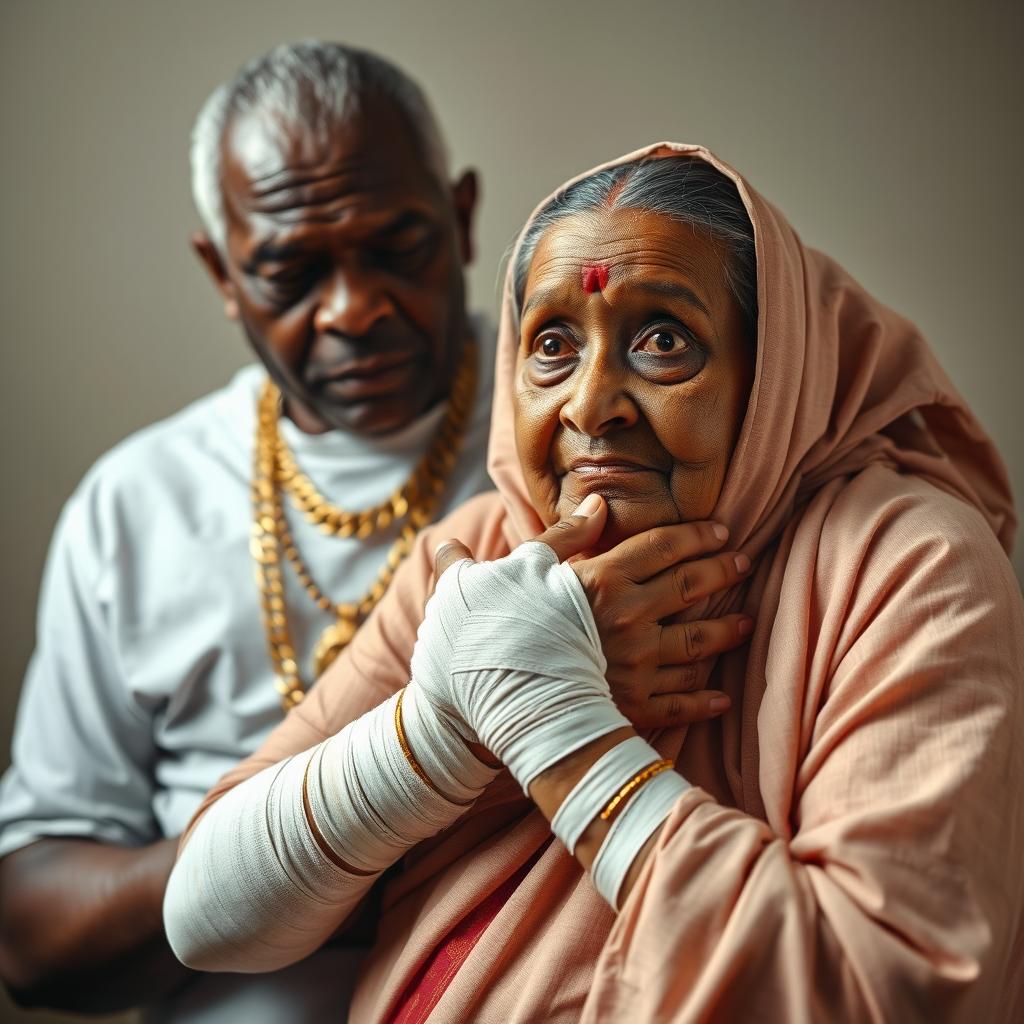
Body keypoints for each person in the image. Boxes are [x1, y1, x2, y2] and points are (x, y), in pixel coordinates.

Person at [165, 143, 1024, 1022]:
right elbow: (205, 917)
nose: (588, 404)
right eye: (551, 345)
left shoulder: (910, 565)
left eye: (663, 342)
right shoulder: (482, 557)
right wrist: (444, 730)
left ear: (777, 373)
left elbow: (886, 993)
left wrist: (553, 726)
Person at [0, 41, 497, 1021]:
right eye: (290, 272)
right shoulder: (134, 507)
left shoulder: (585, 437)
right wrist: (287, 850)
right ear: (220, 272)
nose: (354, 309)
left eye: (397, 248)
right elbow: (29, 939)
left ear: (464, 218)